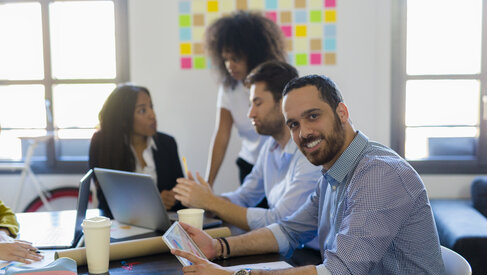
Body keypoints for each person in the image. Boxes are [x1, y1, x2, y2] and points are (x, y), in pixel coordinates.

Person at [171, 75, 453, 275]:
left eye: (313, 116)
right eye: (294, 124)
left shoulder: (379, 174)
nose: (303, 133)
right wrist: (219, 247)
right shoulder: (334, 172)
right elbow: (287, 230)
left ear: (342, 112)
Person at [173, 61, 320, 231]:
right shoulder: (270, 148)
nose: (250, 113)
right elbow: (243, 197)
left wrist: (211, 202)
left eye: (257, 103)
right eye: (251, 105)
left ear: (283, 104)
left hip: (309, 254)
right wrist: (205, 199)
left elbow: (281, 222)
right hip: (286, 248)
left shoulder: (309, 152)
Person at [204, 11, 286, 188]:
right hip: (249, 165)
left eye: (236, 58)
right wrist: (208, 184)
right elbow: (221, 135)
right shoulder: (228, 88)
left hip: (280, 164)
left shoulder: (280, 82)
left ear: (255, 54)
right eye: (225, 59)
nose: (229, 66)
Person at [89, 84, 184, 217]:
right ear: (123, 119)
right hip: (120, 227)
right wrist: (152, 204)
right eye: (142, 111)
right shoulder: (102, 143)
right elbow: (106, 200)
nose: (152, 115)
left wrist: (175, 197)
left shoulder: (167, 143)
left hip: (163, 226)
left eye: (151, 107)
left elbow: (180, 193)